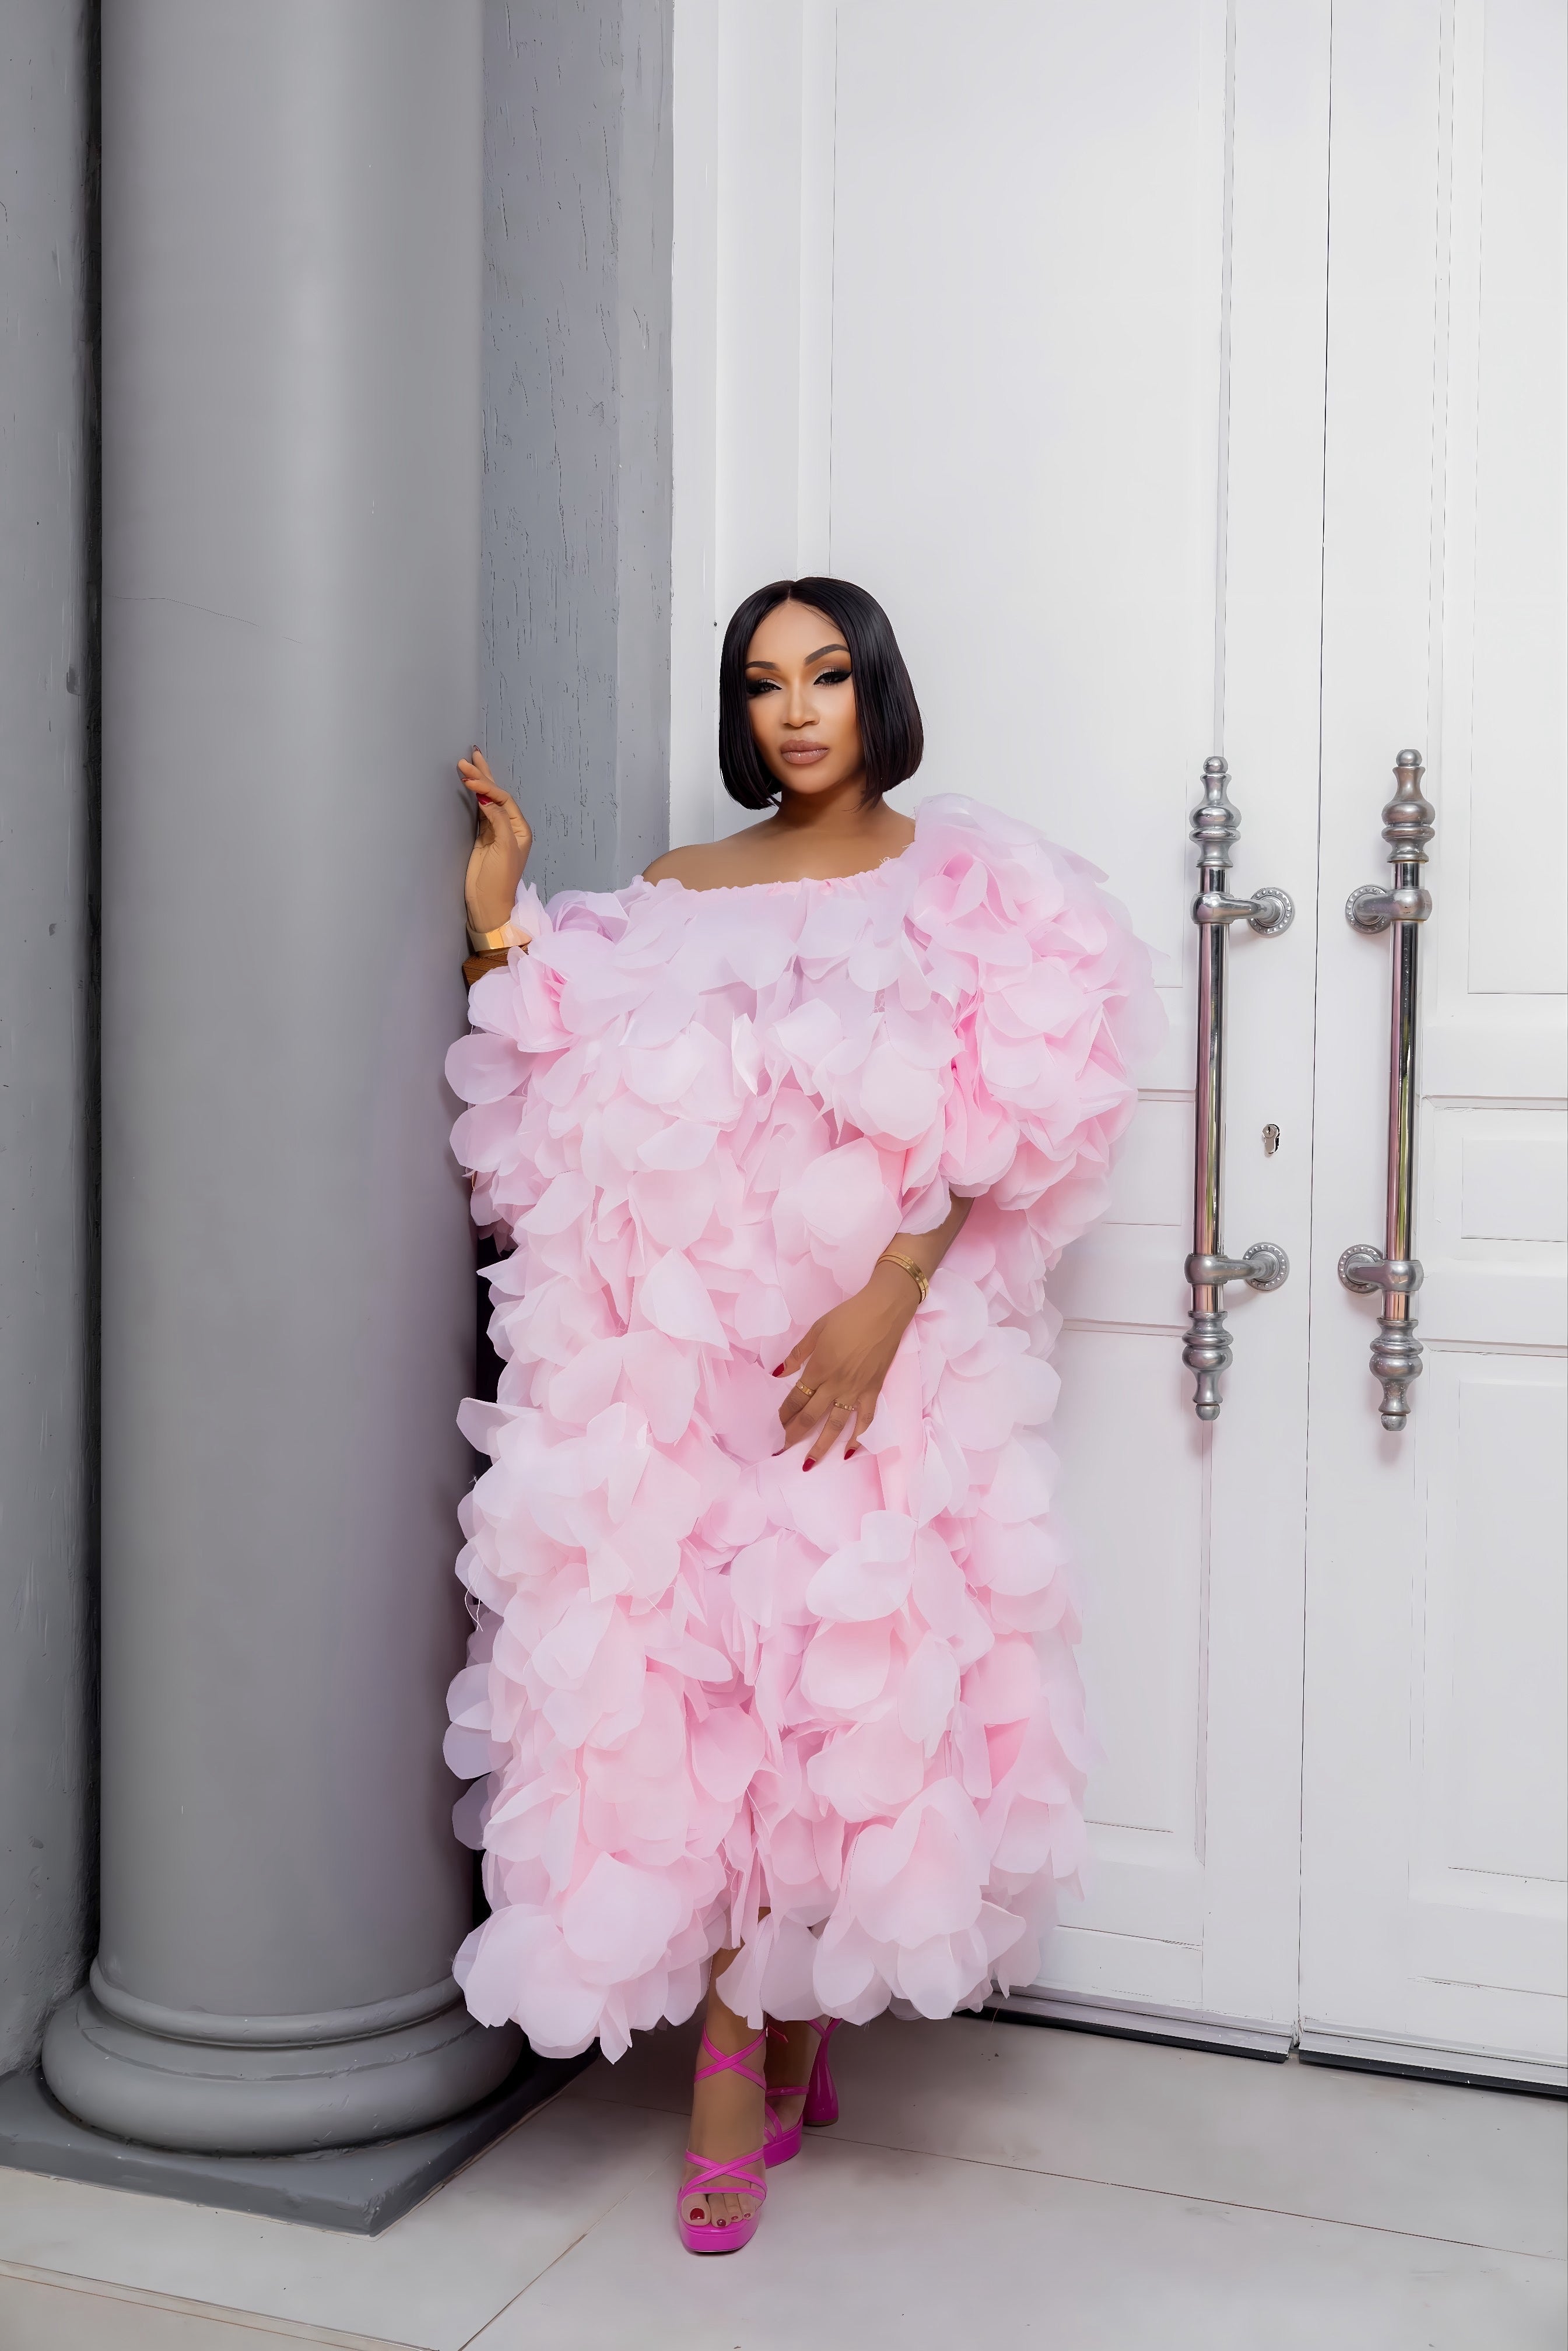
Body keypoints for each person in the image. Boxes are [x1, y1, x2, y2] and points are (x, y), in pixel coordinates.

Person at [443, 577, 1160, 2254]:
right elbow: (557, 1096)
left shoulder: (969, 888)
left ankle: (760, 2047)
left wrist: (888, 1298)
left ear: (875, 689)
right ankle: (748, 2042)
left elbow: (1009, 1108)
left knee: (835, 1691)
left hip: (876, 1363)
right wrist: (497, 925)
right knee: (700, 1697)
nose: (796, 711)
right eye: (764, 683)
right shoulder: (680, 891)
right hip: (699, 1367)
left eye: (827, 675)